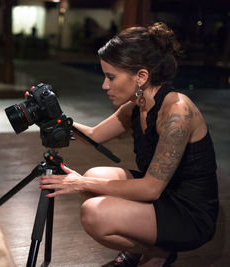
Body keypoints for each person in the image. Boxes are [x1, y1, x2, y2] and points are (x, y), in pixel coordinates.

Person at [39, 22, 218, 267]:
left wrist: (79, 182)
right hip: (163, 195)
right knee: (95, 177)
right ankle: (143, 252)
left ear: (141, 76)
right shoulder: (139, 103)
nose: (104, 85)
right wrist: (49, 116)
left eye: (111, 77)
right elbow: (94, 134)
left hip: (188, 212)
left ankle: (161, 254)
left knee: (93, 212)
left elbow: (150, 190)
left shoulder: (177, 111)